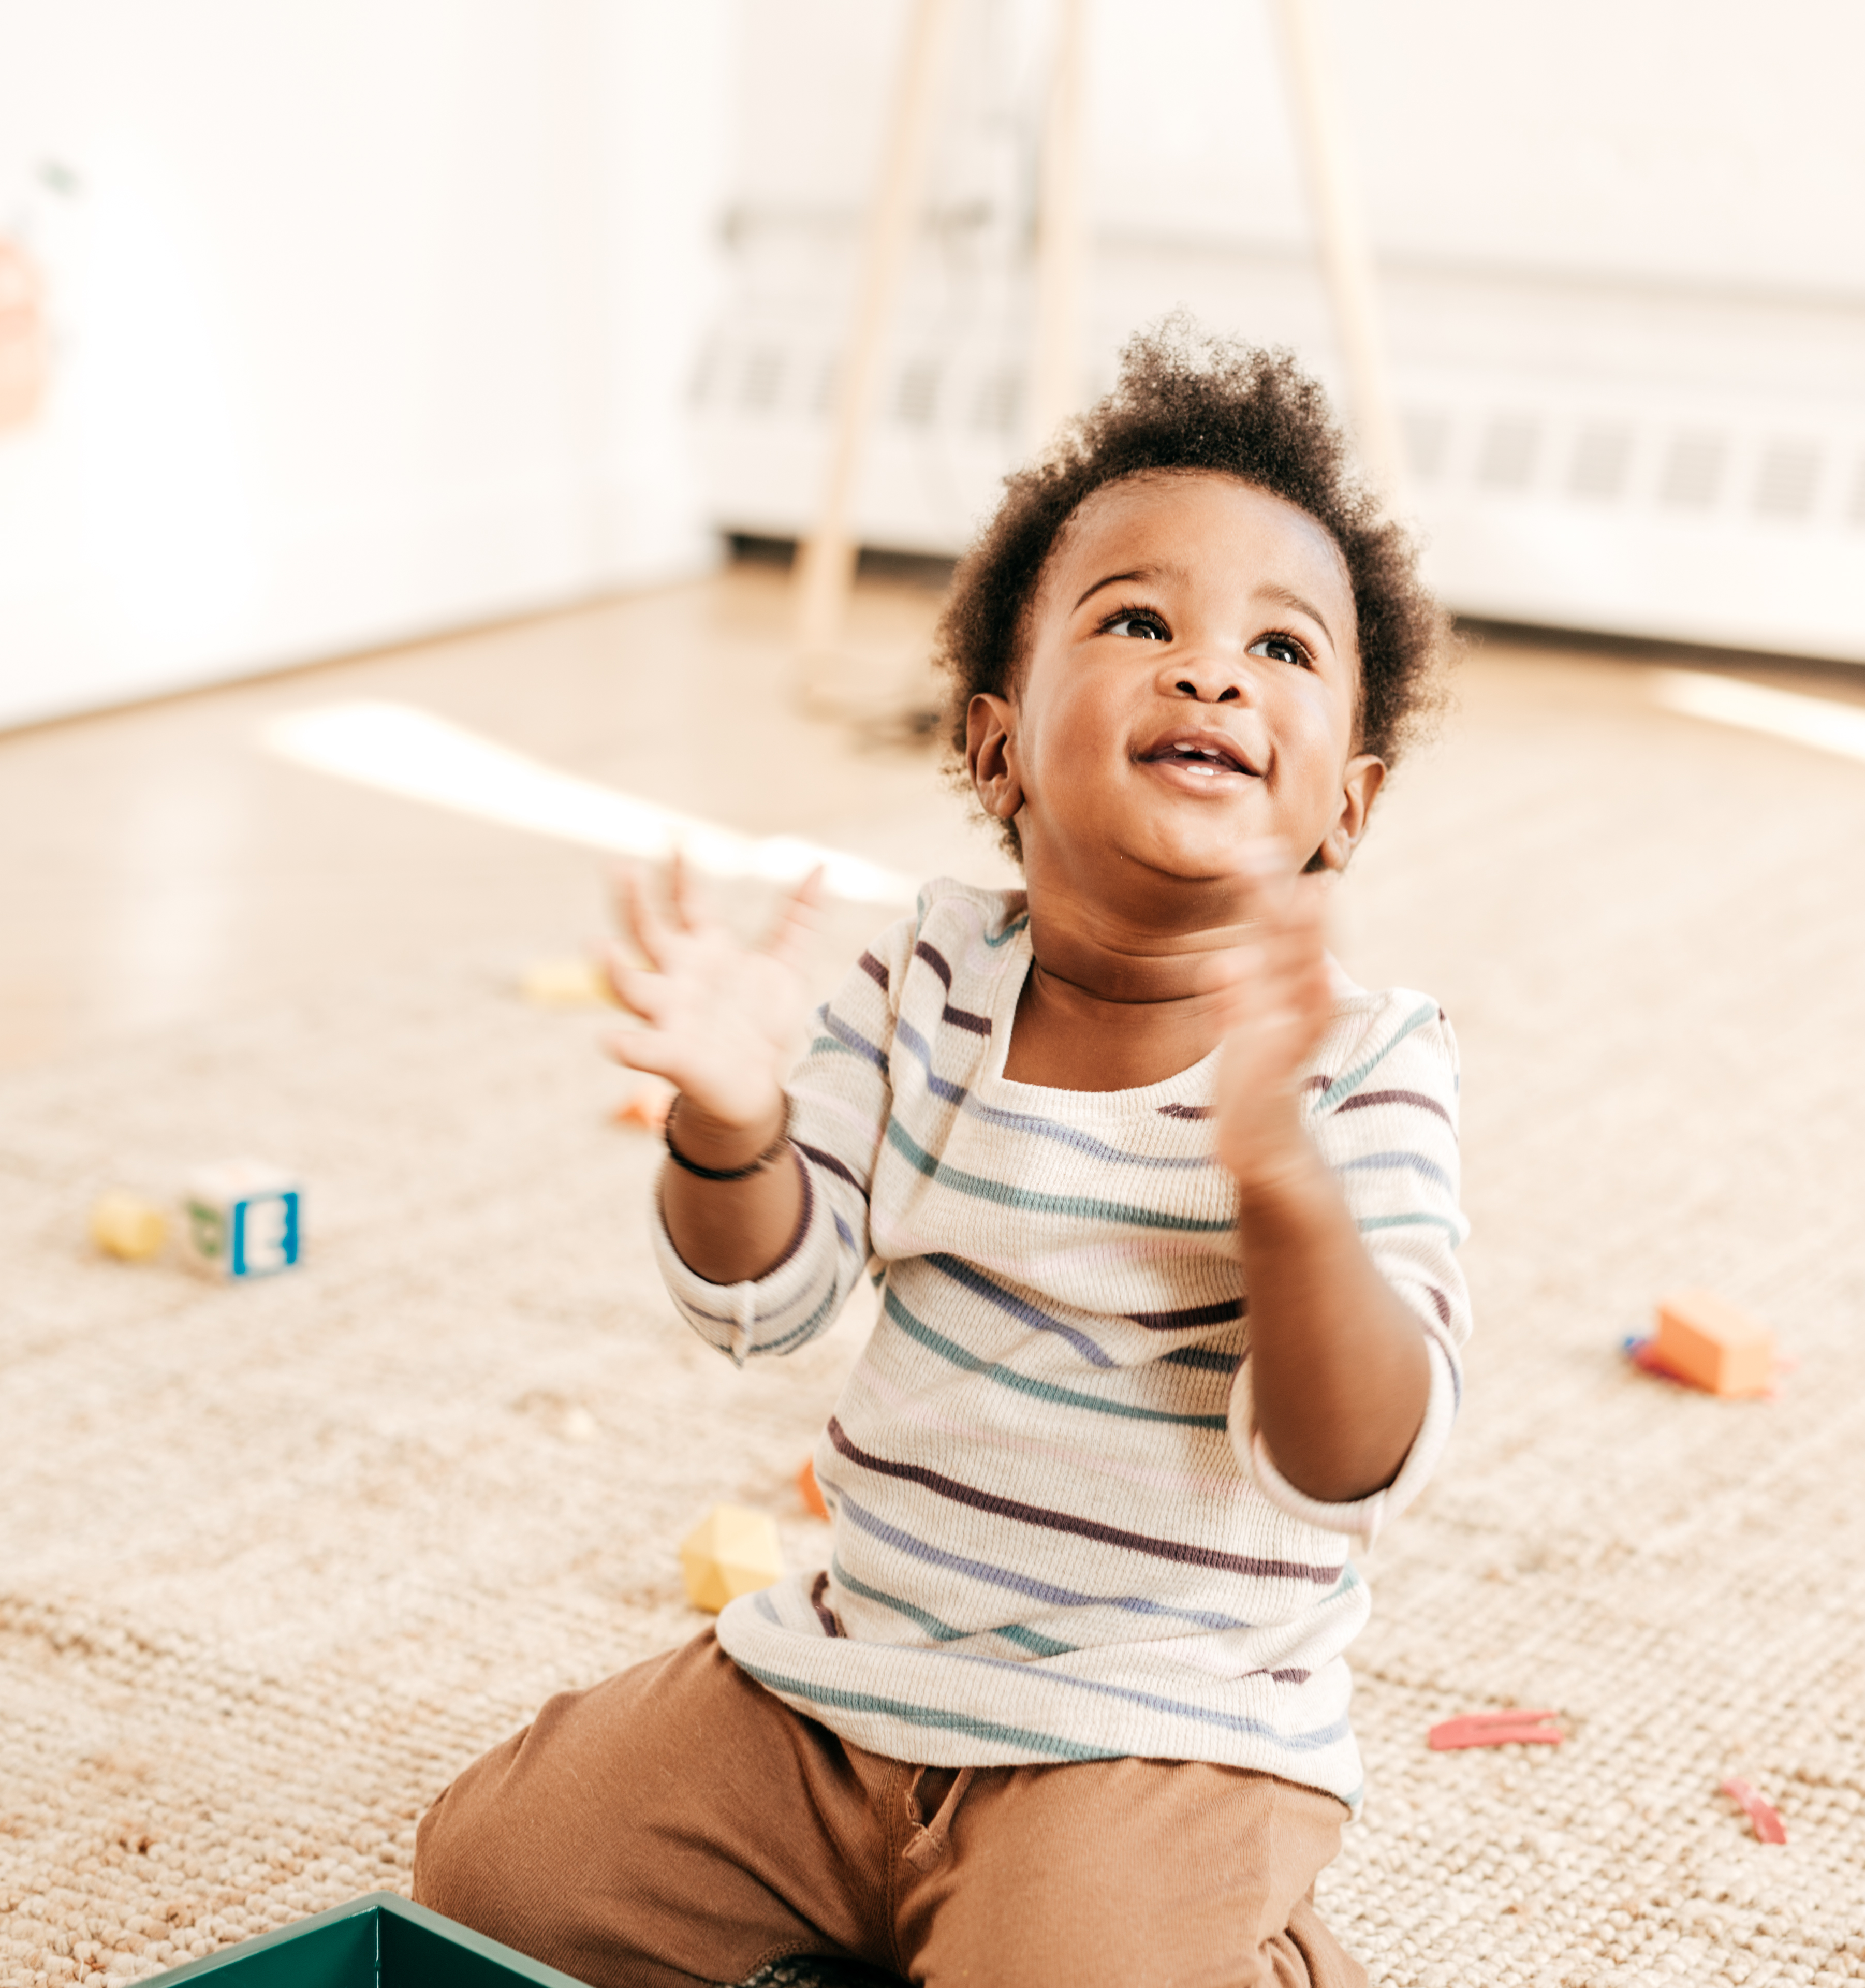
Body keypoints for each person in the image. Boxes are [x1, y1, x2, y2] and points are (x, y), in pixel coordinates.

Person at [413, 326, 1468, 1988]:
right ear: (993, 748)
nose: (1212, 672)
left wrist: (1280, 1186)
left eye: (1282, 646)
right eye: (1139, 622)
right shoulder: (924, 981)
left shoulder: (1364, 1065)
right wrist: (732, 1120)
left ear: (1348, 801)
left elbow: (1354, 1454)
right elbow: (763, 1295)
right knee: (493, 1880)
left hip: (1157, 1738)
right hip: (853, 1678)